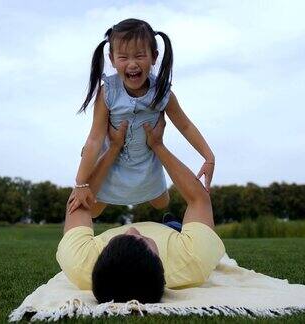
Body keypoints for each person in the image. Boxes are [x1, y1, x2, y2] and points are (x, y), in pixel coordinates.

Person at [57, 113, 225, 304]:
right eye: (141, 239)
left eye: (122, 238)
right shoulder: (194, 258)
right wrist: (158, 146)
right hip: (175, 236)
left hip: (120, 162)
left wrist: (113, 148)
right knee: (179, 225)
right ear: (160, 263)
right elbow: (198, 199)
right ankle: (174, 225)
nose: (133, 228)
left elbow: (80, 200)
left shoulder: (80, 264)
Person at [68, 18, 215, 217]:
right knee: (91, 210)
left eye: (139, 55)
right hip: (113, 162)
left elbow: (186, 125)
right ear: (111, 59)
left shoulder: (162, 93)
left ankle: (170, 220)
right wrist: (81, 182)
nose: (132, 64)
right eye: (123, 57)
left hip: (145, 160)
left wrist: (208, 157)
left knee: (161, 203)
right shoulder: (108, 93)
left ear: (154, 57)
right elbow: (94, 138)